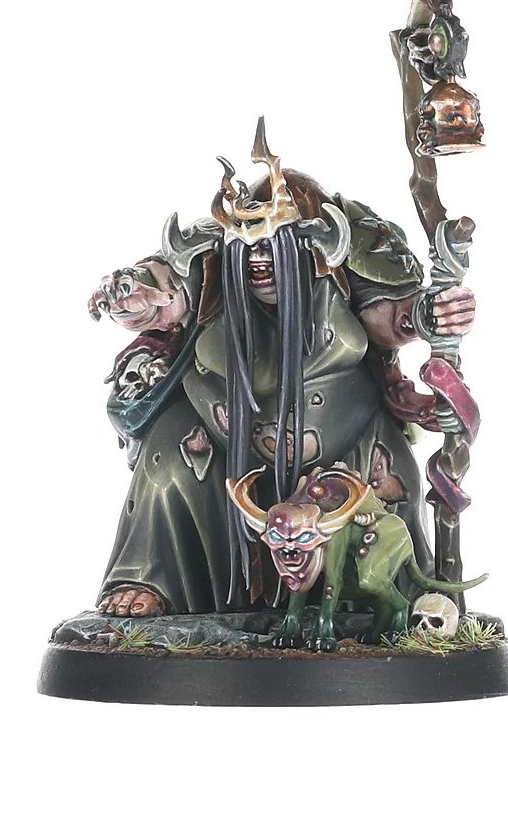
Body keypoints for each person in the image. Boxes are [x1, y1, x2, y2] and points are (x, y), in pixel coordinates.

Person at [87, 121, 475, 617]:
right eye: (247, 247)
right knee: (167, 458)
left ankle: (388, 605)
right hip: (225, 436)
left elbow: (397, 315)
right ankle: (148, 580)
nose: (258, 260)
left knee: (386, 476)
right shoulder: (209, 264)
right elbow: (163, 293)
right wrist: (132, 295)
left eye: (273, 245)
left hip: (341, 434)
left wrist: (436, 313)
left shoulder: (348, 246)